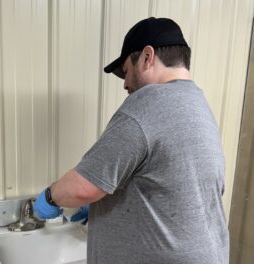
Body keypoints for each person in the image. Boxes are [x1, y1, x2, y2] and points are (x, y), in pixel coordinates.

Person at [34, 17, 229, 264]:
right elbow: (177, 190)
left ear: (147, 57)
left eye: (125, 71)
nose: (125, 84)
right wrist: (105, 207)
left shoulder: (147, 104)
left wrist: (51, 197)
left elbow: (83, 187)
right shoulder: (198, 105)